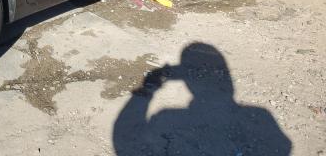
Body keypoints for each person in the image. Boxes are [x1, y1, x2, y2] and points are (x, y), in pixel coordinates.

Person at [113, 43, 292, 155]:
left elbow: (123, 139)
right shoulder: (261, 115)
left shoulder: (166, 116)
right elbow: (285, 146)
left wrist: (148, 89)